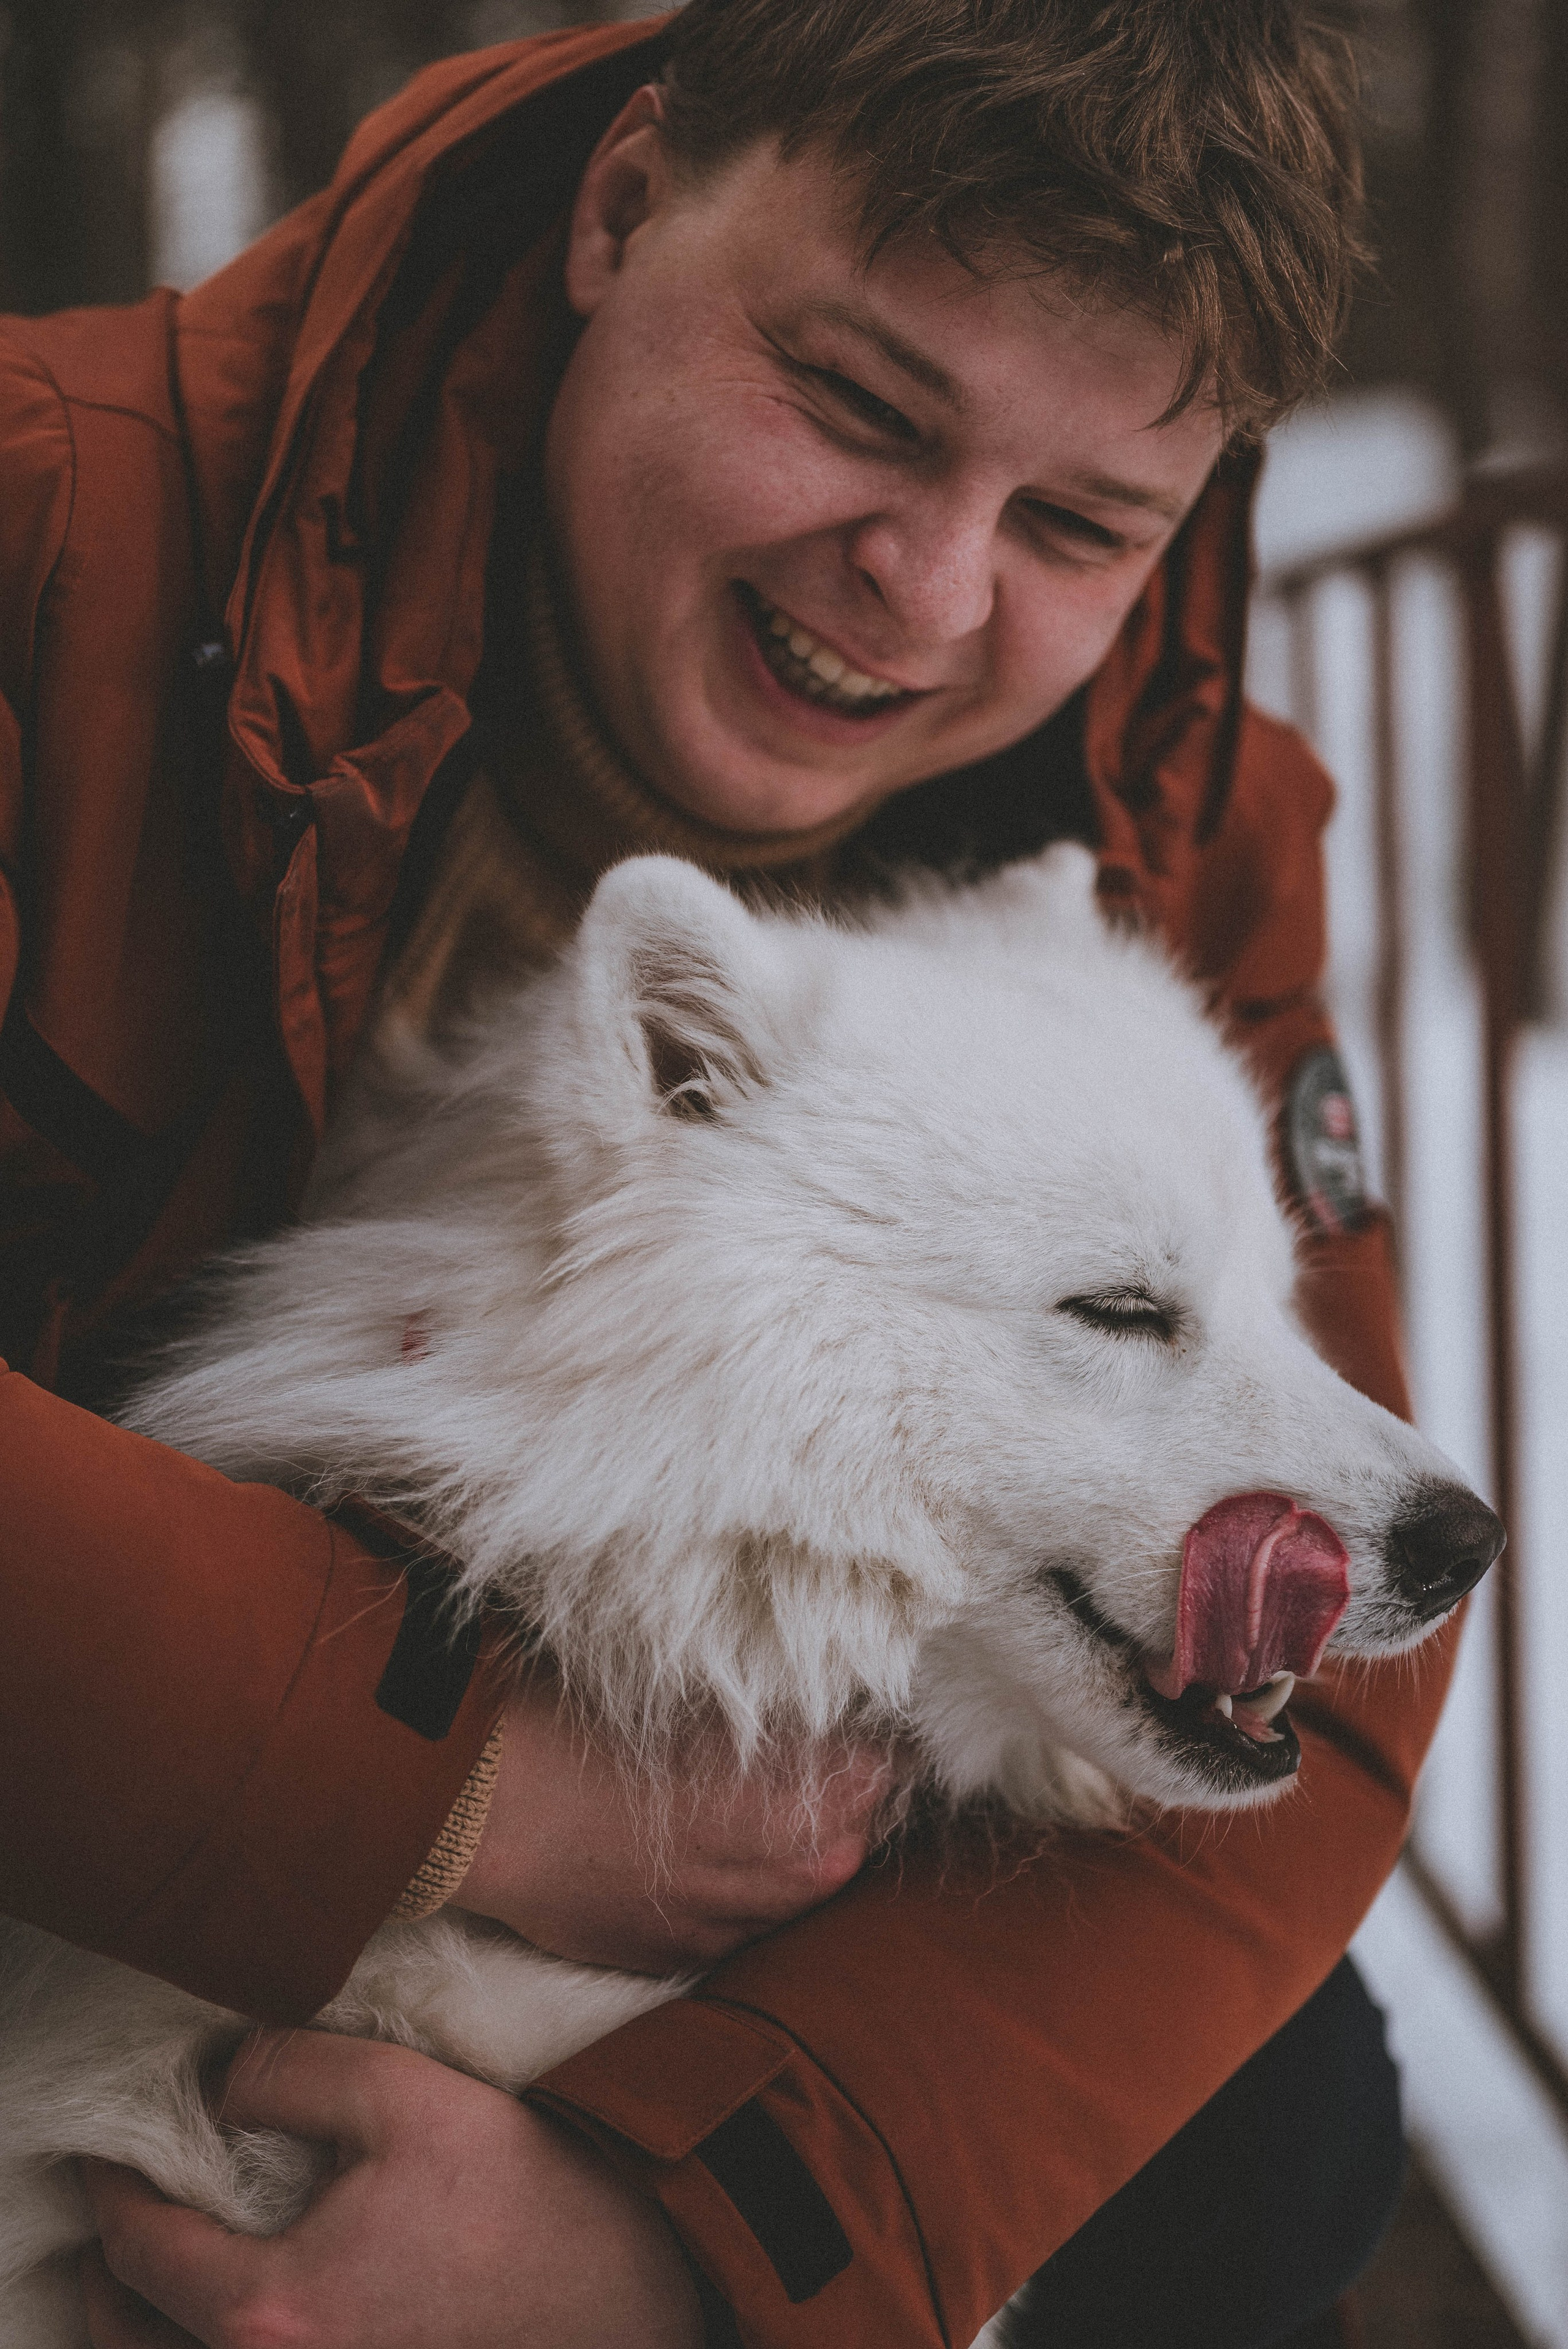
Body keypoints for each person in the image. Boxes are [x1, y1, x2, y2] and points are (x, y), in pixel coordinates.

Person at [0, 3, 1428, 2342]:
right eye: (862, 406)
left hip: (725, 1812)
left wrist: (685, 2244)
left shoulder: (1171, 796)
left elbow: (1332, 1658)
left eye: (1079, 523)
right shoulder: (47, 527)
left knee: (1266, 2126)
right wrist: (455, 1794)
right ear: (625, 204)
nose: (934, 590)